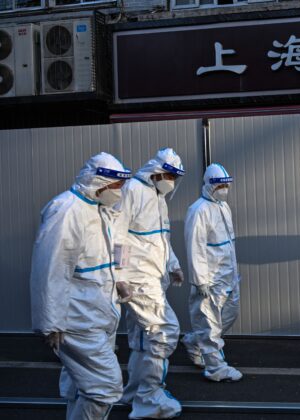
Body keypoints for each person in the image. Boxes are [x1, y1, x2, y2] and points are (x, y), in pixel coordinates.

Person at [30, 152, 132, 420]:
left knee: (83, 386)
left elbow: (113, 250)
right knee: (105, 388)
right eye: (115, 187)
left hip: (97, 314)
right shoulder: (67, 210)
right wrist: (50, 322)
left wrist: (120, 278)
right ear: (98, 182)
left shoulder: (100, 210)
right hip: (78, 319)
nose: (119, 193)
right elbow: (51, 268)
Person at [115, 148, 185, 419]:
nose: (171, 181)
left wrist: (173, 264)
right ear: (156, 170)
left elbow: (160, 238)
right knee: (164, 332)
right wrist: (120, 277)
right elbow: (117, 235)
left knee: (143, 339)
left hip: (153, 276)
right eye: (168, 174)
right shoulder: (132, 190)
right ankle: (149, 397)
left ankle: (133, 393)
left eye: (175, 177)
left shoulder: (157, 197)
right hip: (138, 279)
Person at [180, 163, 243, 382]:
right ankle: (215, 368)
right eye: (220, 185)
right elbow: (194, 246)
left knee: (229, 314)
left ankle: (194, 342)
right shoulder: (199, 210)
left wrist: (234, 274)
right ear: (209, 186)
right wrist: (200, 280)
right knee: (209, 324)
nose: (224, 189)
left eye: (226, 185)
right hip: (210, 278)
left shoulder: (224, 207)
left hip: (228, 275)